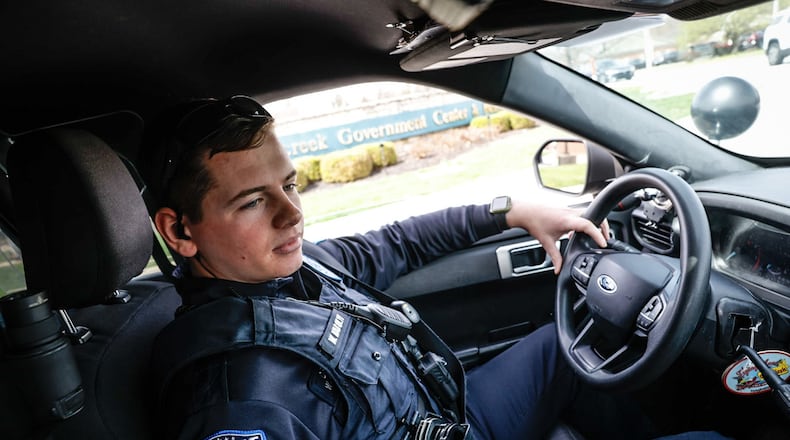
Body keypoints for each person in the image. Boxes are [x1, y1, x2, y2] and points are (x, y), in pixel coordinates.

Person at [141, 95, 728, 440]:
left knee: (564, 351)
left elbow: (399, 241)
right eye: (251, 201)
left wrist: (513, 210)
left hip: (449, 418)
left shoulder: (292, 274)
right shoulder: (246, 400)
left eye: (290, 186)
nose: (292, 214)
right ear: (180, 231)